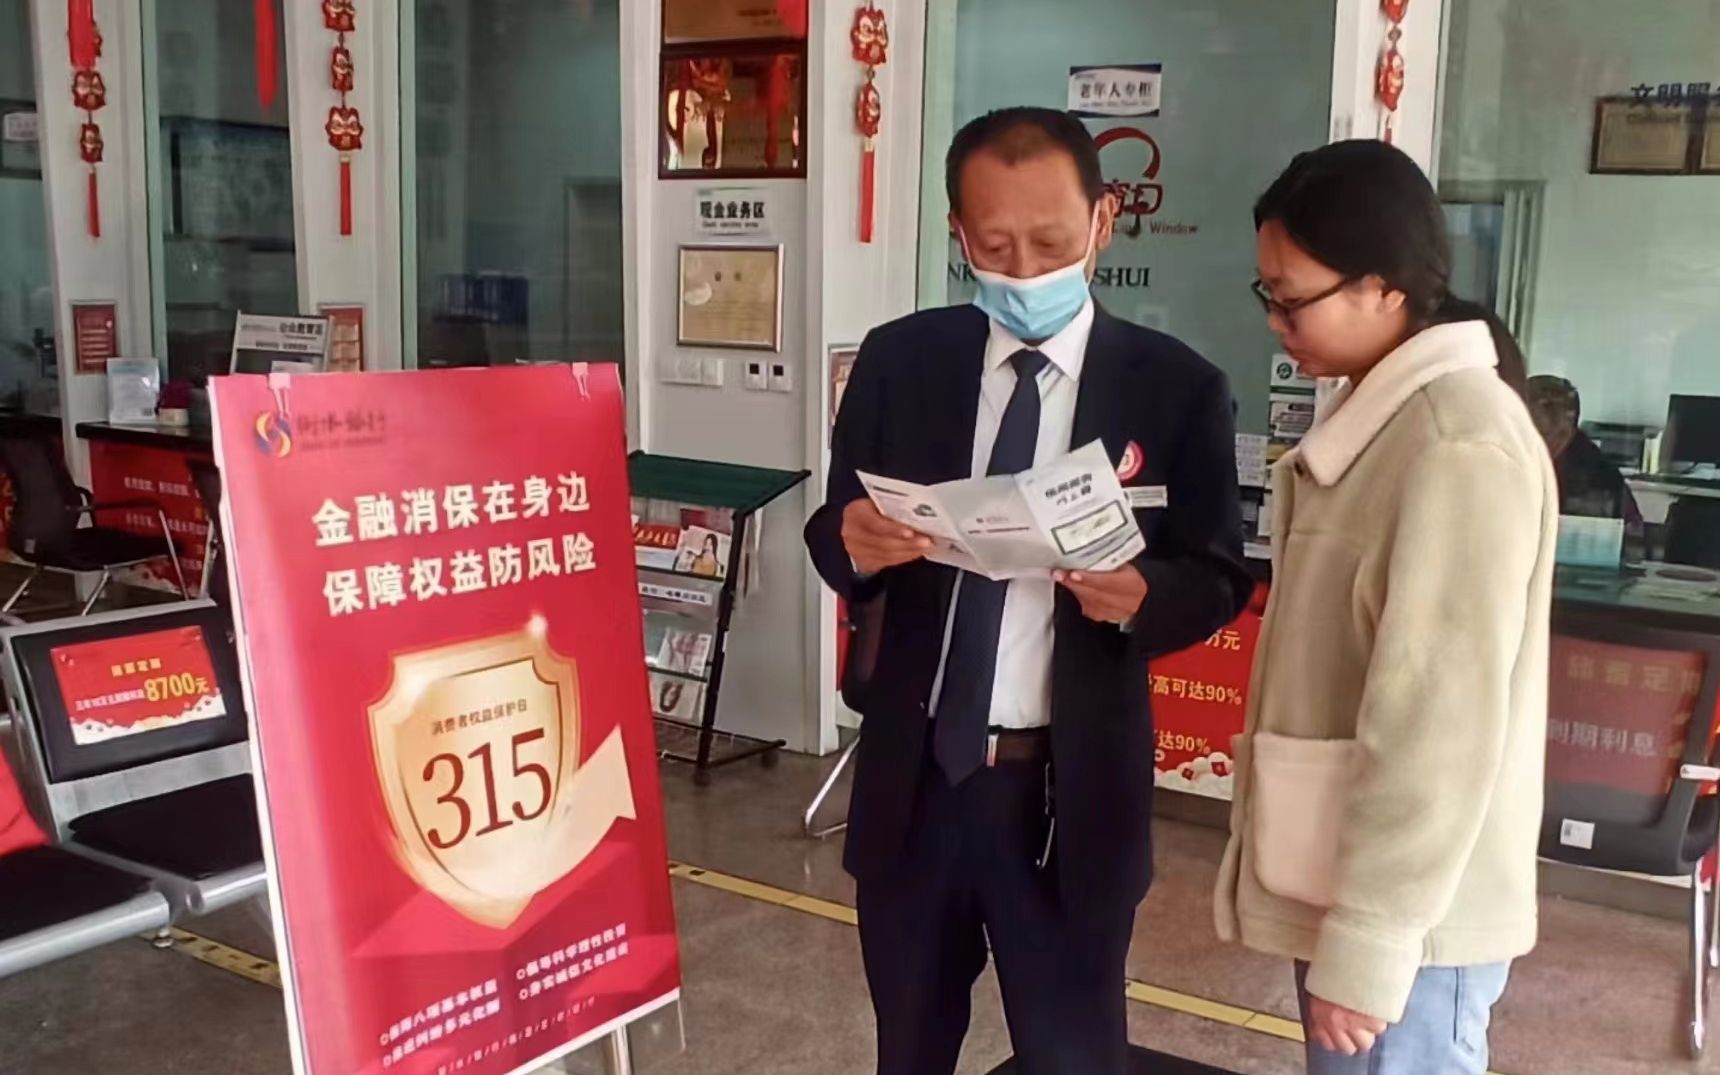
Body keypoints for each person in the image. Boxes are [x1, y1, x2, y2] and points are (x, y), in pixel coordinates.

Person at [804, 106, 1251, 1075]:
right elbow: (835, 530)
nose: (1024, 269)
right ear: (958, 234)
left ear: (1103, 220)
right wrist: (857, 544)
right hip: (917, 783)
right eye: (995, 246)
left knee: (1071, 1054)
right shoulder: (901, 360)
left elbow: (1218, 573)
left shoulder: (1176, 387)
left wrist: (1142, 596)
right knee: (908, 1048)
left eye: (1049, 243)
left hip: (1065, 793)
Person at [1214, 139, 1558, 1075]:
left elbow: (1440, 724)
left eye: (1292, 299)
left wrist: (1372, 937)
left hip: (1415, 915)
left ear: (1383, 287)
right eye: (1266, 295)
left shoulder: (1455, 441)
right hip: (1358, 878)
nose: (1275, 322)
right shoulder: (1386, 417)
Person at [1525, 374, 1643, 527]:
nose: (1546, 444)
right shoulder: (1503, 460)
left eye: (1556, 434)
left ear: (1571, 430)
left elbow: (1631, 530)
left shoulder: (1602, 478)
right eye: (1535, 433)